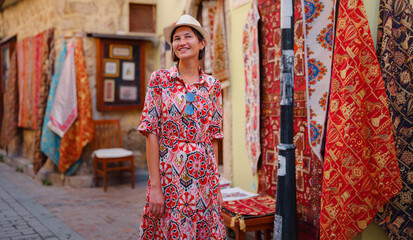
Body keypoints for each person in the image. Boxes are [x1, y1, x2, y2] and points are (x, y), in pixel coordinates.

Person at [137, 14, 226, 239]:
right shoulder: (159, 80)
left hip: (204, 178)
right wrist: (155, 186)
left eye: (188, 36)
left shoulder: (213, 86)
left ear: (201, 43)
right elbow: (150, 133)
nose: (181, 42)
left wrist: (216, 186)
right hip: (170, 176)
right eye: (176, 38)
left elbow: (214, 137)